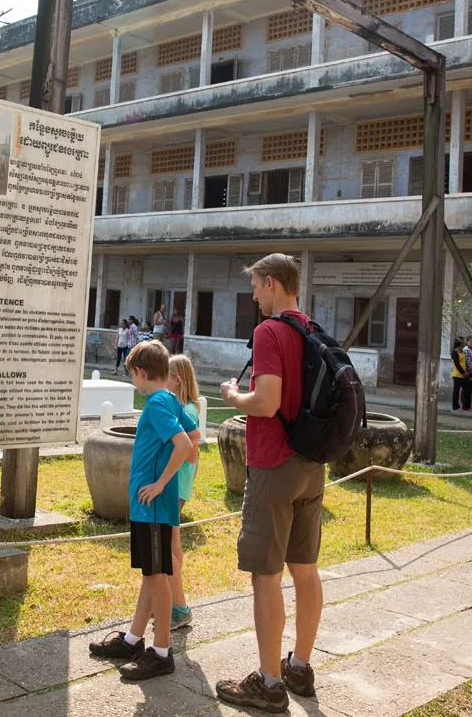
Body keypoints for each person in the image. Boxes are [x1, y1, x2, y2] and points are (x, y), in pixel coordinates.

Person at [218, 253, 323, 712]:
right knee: (306, 569)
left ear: (275, 283)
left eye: (258, 286)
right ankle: (299, 666)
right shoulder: (311, 329)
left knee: (266, 575)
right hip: (310, 464)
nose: (255, 295)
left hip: (273, 464)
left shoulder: (269, 332)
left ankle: (269, 682)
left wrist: (231, 396)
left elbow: (265, 402)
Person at [87, 340, 194, 680]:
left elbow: (185, 446)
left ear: (142, 373)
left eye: (132, 374)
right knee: (152, 573)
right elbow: (193, 435)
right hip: (152, 507)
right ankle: (134, 638)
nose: (132, 380)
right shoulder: (171, 400)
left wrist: (160, 482)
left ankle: (161, 651)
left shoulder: (158, 403)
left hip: (153, 507)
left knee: (157, 576)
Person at [166, 354, 204, 631]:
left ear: (177, 380)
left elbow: (190, 454)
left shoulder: (186, 412)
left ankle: (179, 607)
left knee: (166, 548)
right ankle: (171, 601)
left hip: (173, 487)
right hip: (177, 487)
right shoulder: (186, 407)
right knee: (173, 544)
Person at [450, 338, 472, 412]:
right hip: (457, 374)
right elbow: (457, 364)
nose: (463, 344)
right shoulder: (454, 352)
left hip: (464, 374)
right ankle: (455, 406)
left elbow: (465, 362)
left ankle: (466, 406)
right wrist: (463, 372)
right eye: (462, 343)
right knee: (456, 390)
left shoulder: (462, 351)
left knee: (467, 390)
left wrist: (467, 371)